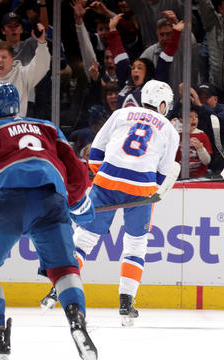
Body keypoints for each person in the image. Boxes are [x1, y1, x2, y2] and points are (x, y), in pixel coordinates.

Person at [0, 83, 97, 359]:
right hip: (52, 199)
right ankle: (77, 322)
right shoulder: (47, 128)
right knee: (64, 269)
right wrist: (78, 203)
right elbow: (75, 168)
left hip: (10, 201)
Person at [41, 80, 180, 327]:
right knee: (136, 245)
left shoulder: (120, 113)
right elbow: (163, 172)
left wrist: (100, 177)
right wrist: (152, 190)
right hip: (141, 189)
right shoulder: (168, 129)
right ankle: (126, 303)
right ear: (161, 104)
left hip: (107, 181)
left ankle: (57, 289)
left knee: (83, 239)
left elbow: (96, 151)